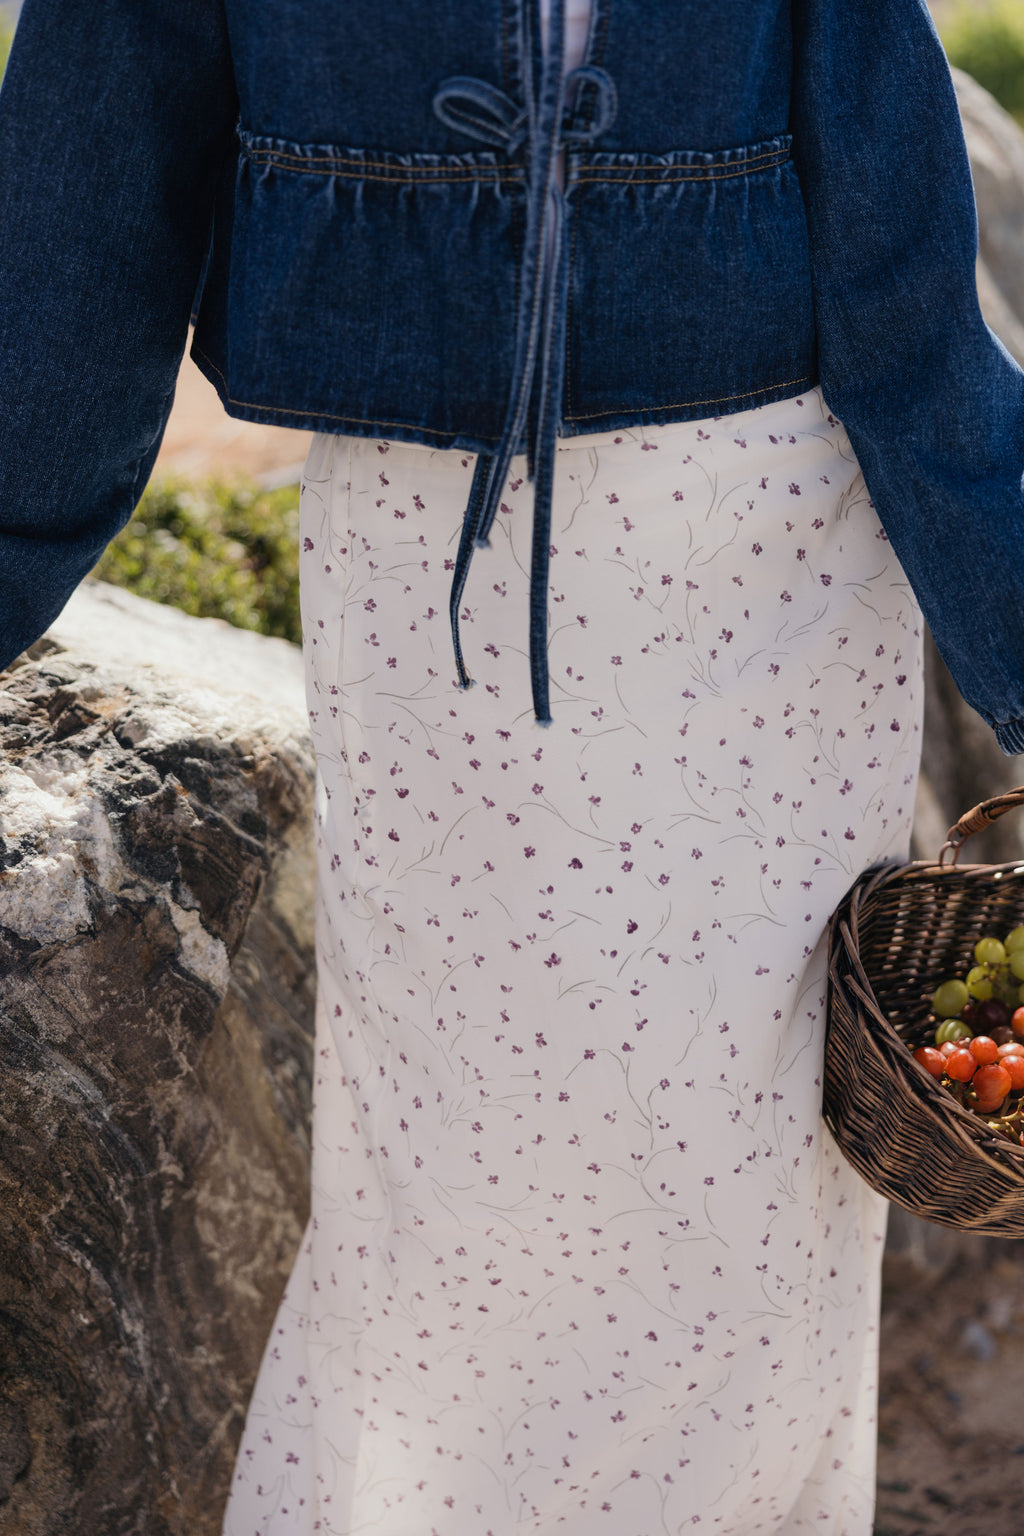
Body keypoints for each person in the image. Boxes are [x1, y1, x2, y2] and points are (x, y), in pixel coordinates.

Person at [1, 1, 1023, 1531]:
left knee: (738, 1217)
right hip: (436, 562)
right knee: (460, 1211)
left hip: (770, 553)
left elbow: (903, 275)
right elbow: (86, 214)